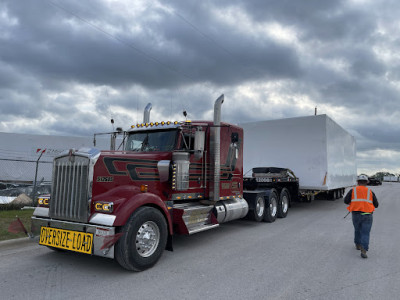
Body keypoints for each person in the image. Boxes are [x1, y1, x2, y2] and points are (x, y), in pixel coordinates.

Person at [344, 174, 379, 258]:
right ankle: (364, 250)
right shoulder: (370, 192)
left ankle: (358, 244)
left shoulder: (353, 190)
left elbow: (346, 201)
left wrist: (353, 203)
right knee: (365, 232)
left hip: (356, 214)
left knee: (357, 230)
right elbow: (376, 205)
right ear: (367, 182)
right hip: (367, 215)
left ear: (358, 182)